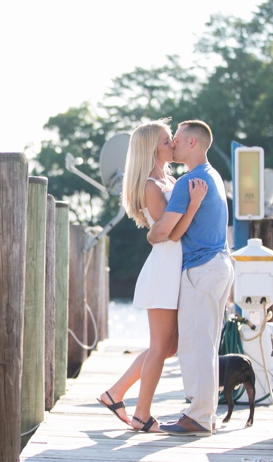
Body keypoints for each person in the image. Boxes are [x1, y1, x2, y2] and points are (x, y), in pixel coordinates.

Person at [97, 119, 206, 432]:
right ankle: (141, 415)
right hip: (163, 269)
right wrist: (195, 205)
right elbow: (168, 233)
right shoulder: (150, 185)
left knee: (168, 347)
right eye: (166, 141)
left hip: (173, 267)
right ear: (151, 148)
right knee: (160, 347)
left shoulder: (167, 179)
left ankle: (115, 393)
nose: (172, 144)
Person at [146, 119, 234, 437]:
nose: (174, 145)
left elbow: (166, 231)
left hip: (201, 268)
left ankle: (197, 416)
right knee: (206, 343)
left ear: (192, 143)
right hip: (221, 264)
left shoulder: (188, 182)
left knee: (195, 345)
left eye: (178, 140)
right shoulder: (214, 176)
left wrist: (151, 235)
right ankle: (204, 414)